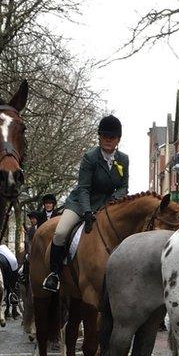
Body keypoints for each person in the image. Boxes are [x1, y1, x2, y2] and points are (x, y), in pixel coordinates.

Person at [43, 115, 129, 292]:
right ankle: (55, 274)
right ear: (99, 137)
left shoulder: (123, 159)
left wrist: (113, 202)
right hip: (81, 202)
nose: (107, 140)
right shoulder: (90, 157)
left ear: (118, 140)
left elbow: (123, 187)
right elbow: (83, 188)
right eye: (104, 136)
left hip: (107, 205)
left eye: (111, 137)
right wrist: (88, 212)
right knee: (60, 232)